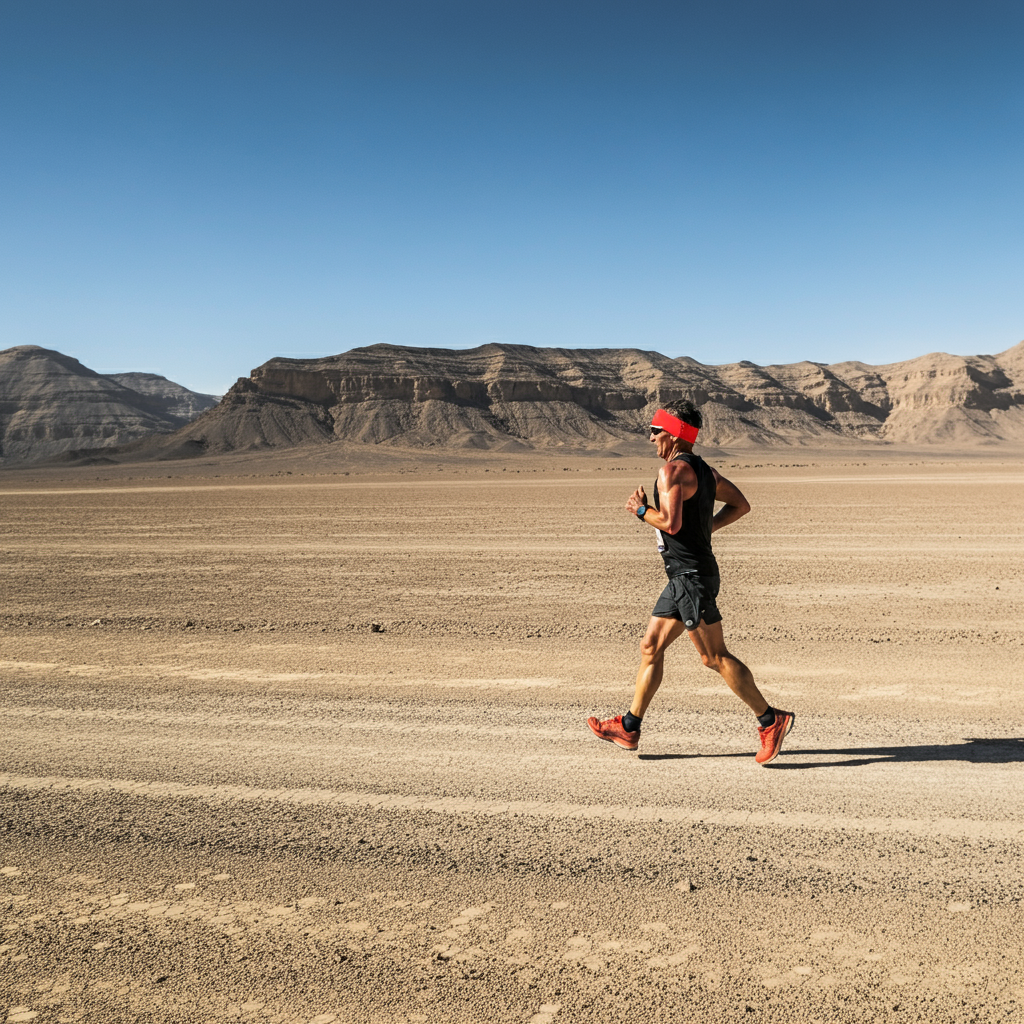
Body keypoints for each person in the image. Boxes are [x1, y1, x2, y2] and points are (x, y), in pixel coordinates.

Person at [587, 400, 795, 765]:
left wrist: (640, 510)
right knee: (650, 646)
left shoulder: (672, 471)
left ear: (673, 433)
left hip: (691, 578)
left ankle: (770, 720)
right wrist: (705, 529)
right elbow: (741, 505)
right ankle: (629, 727)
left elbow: (670, 524)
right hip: (685, 575)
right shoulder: (706, 472)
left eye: (655, 431)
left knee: (713, 657)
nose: (651, 437)